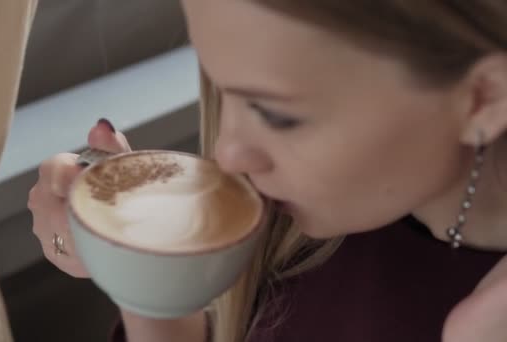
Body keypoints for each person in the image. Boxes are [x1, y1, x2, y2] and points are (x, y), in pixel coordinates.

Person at [26, 1, 507, 341]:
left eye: (277, 115)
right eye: (218, 87)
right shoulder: (297, 224)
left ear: (483, 98)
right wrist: (146, 277)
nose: (226, 153)